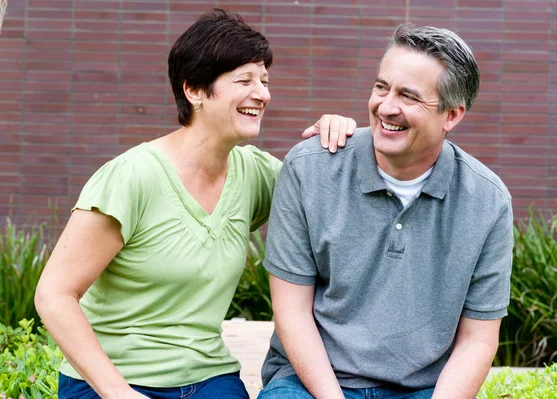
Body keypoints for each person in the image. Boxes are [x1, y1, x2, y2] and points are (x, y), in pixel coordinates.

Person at [34, 9, 355, 399]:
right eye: (244, 80)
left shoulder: (256, 174)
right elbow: (54, 295)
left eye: (265, 81)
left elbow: (333, 192)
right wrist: (120, 393)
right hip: (113, 381)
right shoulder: (132, 177)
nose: (262, 93)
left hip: (208, 378)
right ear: (195, 91)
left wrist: (337, 136)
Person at [258, 23, 514, 399]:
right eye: (382, 87)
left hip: (423, 389)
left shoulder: (488, 202)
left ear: (452, 115)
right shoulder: (310, 168)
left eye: (409, 97)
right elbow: (291, 312)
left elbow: (477, 340)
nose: (386, 107)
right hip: (309, 383)